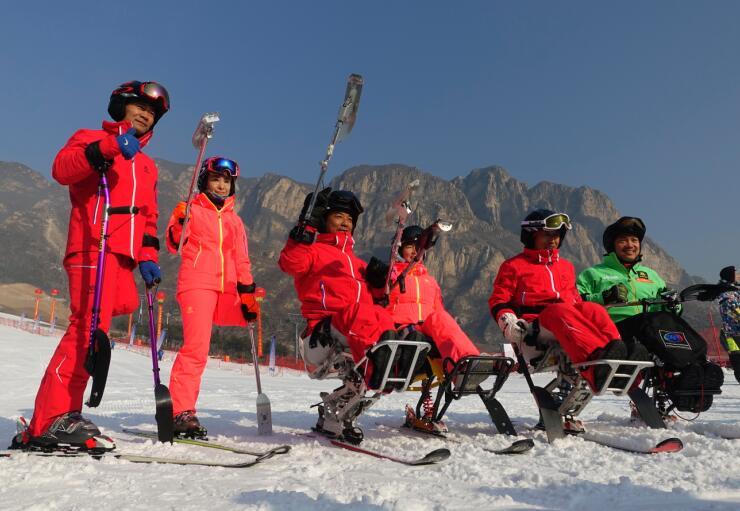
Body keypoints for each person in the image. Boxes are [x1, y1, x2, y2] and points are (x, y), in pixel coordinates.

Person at [12, 81, 170, 451]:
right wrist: (108, 146)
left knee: (98, 333)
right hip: (91, 247)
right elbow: (62, 169)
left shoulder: (147, 166)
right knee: (85, 330)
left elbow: (149, 217)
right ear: (121, 106)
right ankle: (51, 419)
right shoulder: (90, 137)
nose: (146, 114)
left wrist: (147, 257)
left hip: (123, 259)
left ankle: (65, 413)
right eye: (139, 106)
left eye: (153, 112)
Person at [278, 188, 403, 441]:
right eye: (338, 216)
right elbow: (290, 263)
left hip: (352, 335)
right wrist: (302, 235)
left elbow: (380, 307)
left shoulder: (358, 264)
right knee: (358, 313)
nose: (345, 222)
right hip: (321, 336)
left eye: (349, 219)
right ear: (324, 219)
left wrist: (380, 286)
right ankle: (376, 371)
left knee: (383, 316)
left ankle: (393, 365)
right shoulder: (311, 252)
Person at [488, 209, 635, 393]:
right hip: (534, 329)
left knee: (592, 309)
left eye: (557, 235)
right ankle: (593, 369)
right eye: (546, 235)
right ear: (531, 236)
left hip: (564, 323)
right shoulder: (514, 266)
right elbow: (499, 299)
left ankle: (618, 359)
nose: (552, 240)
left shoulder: (565, 267)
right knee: (559, 311)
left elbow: (575, 299)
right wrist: (508, 323)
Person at [165, 157, 257, 437]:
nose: (221, 184)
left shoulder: (235, 221)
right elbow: (173, 244)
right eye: (216, 178)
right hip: (196, 283)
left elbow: (242, 260)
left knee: (215, 346)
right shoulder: (191, 209)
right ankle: (181, 412)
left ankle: (184, 410)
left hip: (226, 288)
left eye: (226, 180)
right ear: (205, 180)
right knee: (196, 349)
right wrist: (181, 221)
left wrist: (248, 293)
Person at [377, 225, 482, 431]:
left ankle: (464, 366)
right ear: (398, 249)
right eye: (409, 246)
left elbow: (437, 310)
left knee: (441, 318)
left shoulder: (430, 281)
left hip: (427, 330)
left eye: (419, 247)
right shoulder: (389, 275)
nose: (415, 251)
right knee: (417, 337)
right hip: (402, 329)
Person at [576, 217, 678, 326]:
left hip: (650, 333)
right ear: (612, 246)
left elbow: (669, 312)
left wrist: (673, 305)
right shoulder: (592, 274)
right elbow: (574, 304)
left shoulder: (652, 276)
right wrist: (604, 297)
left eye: (634, 240)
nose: (630, 245)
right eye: (623, 240)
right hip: (612, 334)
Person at [717, 266, 740, 383]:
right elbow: (730, 311)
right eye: (736, 273)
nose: (739, 275)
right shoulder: (727, 294)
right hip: (733, 334)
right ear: (730, 276)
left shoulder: (735, 290)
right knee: (738, 361)